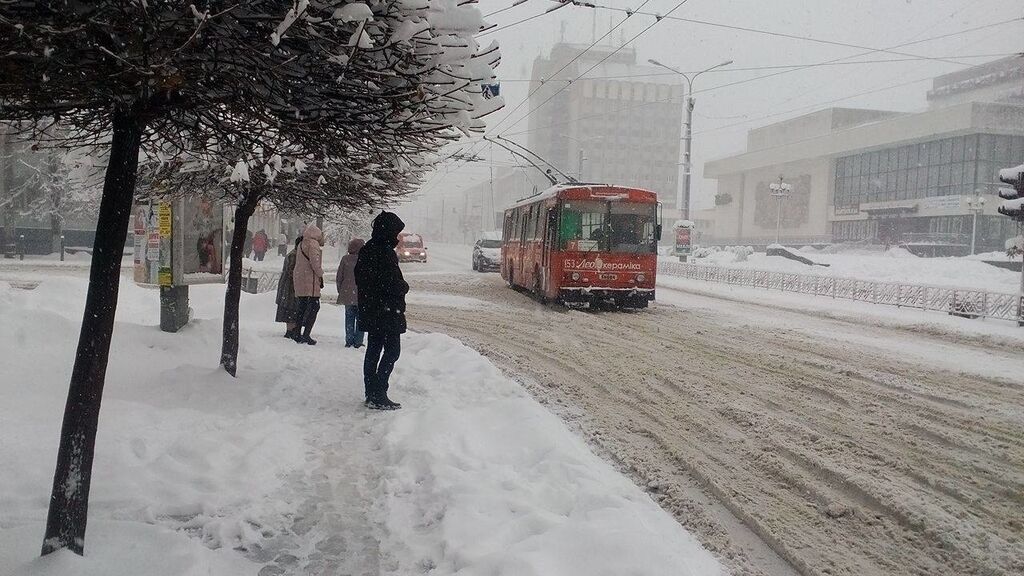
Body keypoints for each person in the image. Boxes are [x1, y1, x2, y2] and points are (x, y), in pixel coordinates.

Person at [355, 212, 409, 410]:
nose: (397, 237)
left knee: (374, 350)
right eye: (396, 232)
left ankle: (371, 392)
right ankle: (379, 392)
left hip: (372, 309)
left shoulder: (368, 249)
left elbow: (363, 280)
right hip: (386, 311)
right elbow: (390, 283)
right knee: (392, 351)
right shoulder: (383, 252)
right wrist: (403, 287)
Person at [292, 224, 324, 345]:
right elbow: (315, 263)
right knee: (315, 307)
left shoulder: (301, 244)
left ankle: (297, 332)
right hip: (309, 280)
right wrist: (320, 274)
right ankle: (306, 335)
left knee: (302, 307)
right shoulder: (313, 244)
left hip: (301, 278)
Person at [336, 238, 365, 348]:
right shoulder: (365, 259)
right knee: (361, 319)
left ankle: (349, 340)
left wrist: (341, 290)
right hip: (362, 295)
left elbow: (339, 277)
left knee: (349, 318)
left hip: (348, 294)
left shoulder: (345, 259)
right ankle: (358, 341)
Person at [276, 236, 302, 339]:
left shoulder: (294, 254)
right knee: (291, 307)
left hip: (289, 286)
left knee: (291, 307)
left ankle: (291, 329)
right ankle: (290, 330)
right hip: (290, 287)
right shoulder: (294, 255)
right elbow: (292, 272)